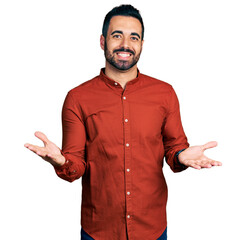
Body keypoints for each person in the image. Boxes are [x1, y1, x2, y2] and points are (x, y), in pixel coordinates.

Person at [24, 4, 222, 240]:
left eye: (134, 37)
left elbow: (174, 149)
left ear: (141, 45)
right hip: (98, 231)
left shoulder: (165, 94)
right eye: (117, 35)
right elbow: (75, 165)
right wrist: (61, 162)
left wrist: (180, 156)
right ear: (102, 41)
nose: (125, 44)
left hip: (152, 228)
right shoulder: (78, 98)